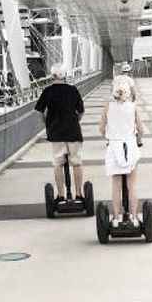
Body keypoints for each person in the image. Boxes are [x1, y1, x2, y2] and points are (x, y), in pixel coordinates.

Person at [35, 64, 86, 201]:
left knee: (58, 163)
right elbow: (81, 111)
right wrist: (75, 121)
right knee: (76, 162)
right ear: (65, 76)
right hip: (73, 131)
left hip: (55, 132)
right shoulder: (72, 90)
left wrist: (46, 123)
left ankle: (61, 195)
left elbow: (39, 110)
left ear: (52, 76)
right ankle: (79, 194)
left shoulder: (47, 91)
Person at [99, 75, 144, 227]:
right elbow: (141, 129)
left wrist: (109, 137)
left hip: (114, 147)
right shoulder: (133, 107)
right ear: (129, 91)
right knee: (132, 185)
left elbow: (101, 128)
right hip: (130, 146)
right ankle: (134, 217)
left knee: (116, 186)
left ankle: (117, 218)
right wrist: (138, 140)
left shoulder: (108, 106)